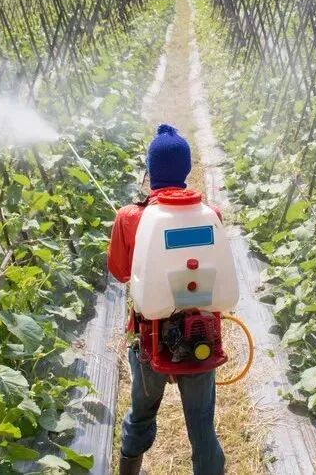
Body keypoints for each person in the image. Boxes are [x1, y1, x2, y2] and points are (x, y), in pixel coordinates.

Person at [107, 124, 225, 475]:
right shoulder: (211, 215)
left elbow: (120, 271)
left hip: (149, 337)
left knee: (141, 414)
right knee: (202, 427)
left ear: (151, 171)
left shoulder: (130, 216)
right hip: (200, 334)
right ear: (186, 170)